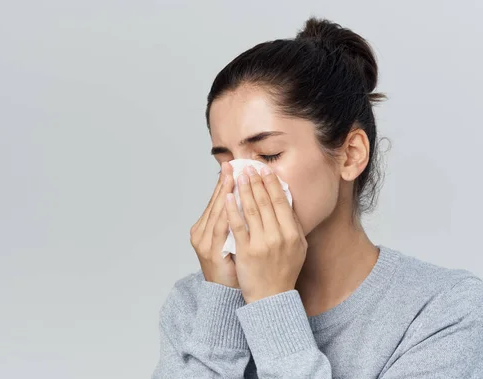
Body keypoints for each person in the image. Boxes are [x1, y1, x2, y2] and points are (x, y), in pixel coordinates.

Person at [151, 16, 483, 379]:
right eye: (226, 162)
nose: (239, 182)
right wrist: (220, 307)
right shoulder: (195, 305)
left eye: (268, 155)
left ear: (351, 154)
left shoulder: (443, 311)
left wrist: (271, 303)